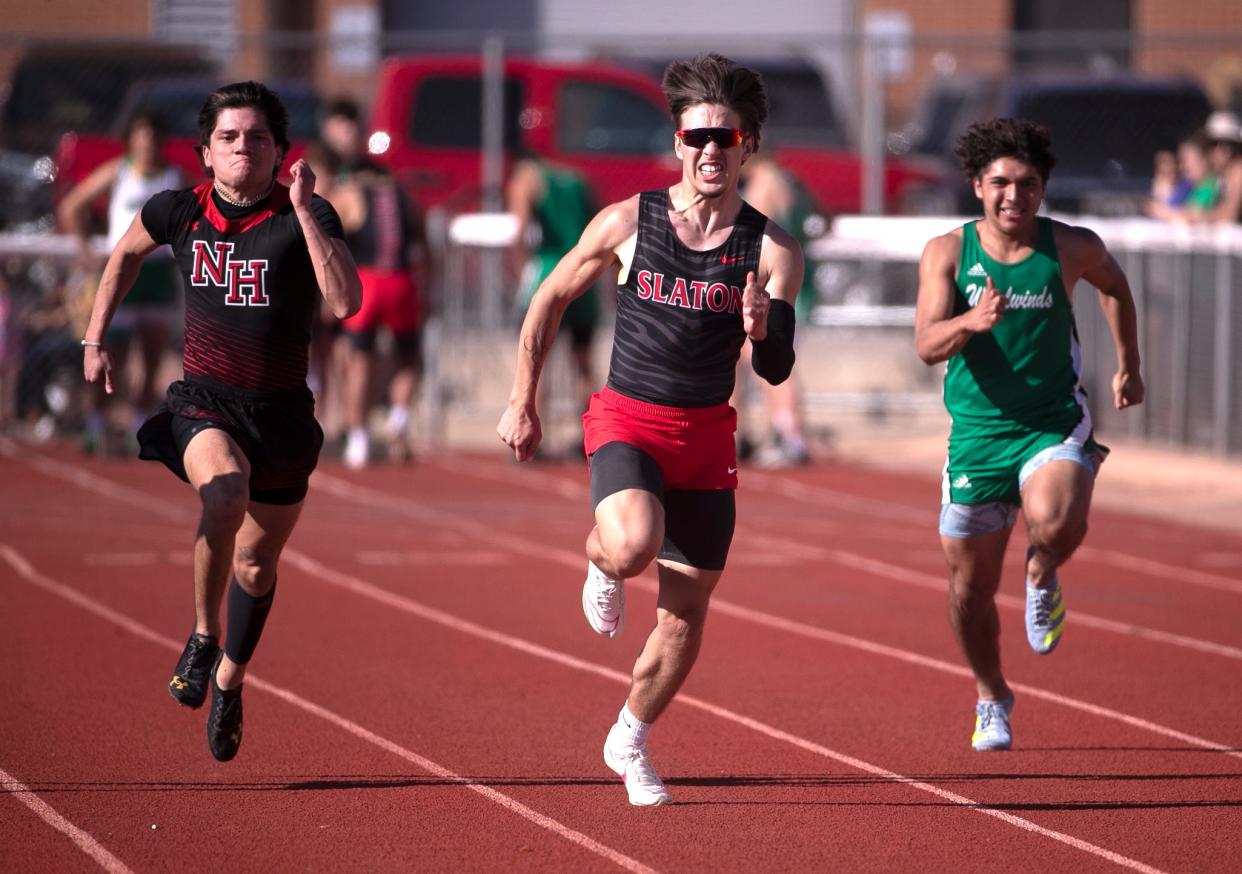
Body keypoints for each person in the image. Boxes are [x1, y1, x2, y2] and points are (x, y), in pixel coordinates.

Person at [497, 54, 803, 805]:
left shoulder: (771, 253)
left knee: (684, 615)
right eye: (696, 138)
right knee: (631, 543)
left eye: (724, 140)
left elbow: (776, 370)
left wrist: (765, 330)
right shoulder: (629, 222)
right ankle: (601, 560)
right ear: (676, 143)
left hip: (707, 439)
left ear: (747, 147)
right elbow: (549, 299)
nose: (709, 152)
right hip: (629, 417)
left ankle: (629, 737)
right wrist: (522, 399)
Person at [81, 81, 362, 761]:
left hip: (284, 419)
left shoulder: (308, 212)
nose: (243, 148)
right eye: (230, 137)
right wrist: (95, 338)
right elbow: (121, 255)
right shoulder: (177, 210)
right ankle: (205, 637)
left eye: (257, 137)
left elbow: (347, 302)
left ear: (280, 152)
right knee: (224, 492)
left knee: (258, 565)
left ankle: (232, 680)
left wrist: (302, 210)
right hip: (206, 403)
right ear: (206, 152)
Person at [914, 118, 1144, 752]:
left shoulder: (1068, 246)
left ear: (1042, 190)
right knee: (969, 592)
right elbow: (927, 344)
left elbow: (1115, 286)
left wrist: (1129, 362)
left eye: (1027, 184)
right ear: (976, 185)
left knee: (1055, 516)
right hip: (976, 440)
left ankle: (1042, 572)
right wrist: (973, 319)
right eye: (1000, 184)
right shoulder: (948, 252)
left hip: (1050, 422)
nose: (1013, 196)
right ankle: (992, 697)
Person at [59, 111, 184, 453]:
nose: (148, 144)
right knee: (112, 355)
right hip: (122, 272)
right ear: (132, 140)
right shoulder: (119, 171)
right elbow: (72, 205)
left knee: (153, 355)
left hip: (158, 274)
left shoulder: (176, 177)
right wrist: (86, 249)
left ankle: (137, 426)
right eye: (141, 137)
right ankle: (96, 423)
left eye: (154, 138)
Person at [506, 155, 600, 456]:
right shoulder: (578, 179)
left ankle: (533, 433)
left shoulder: (528, 180)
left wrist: (521, 267)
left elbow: (520, 228)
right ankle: (591, 434)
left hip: (550, 269)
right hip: (585, 274)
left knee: (537, 358)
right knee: (583, 361)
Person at [736, 152, 819, 466]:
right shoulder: (790, 181)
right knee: (766, 358)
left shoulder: (763, 182)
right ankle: (781, 431)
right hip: (797, 278)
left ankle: (790, 434)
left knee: (769, 357)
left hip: (776, 283)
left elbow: (755, 235)